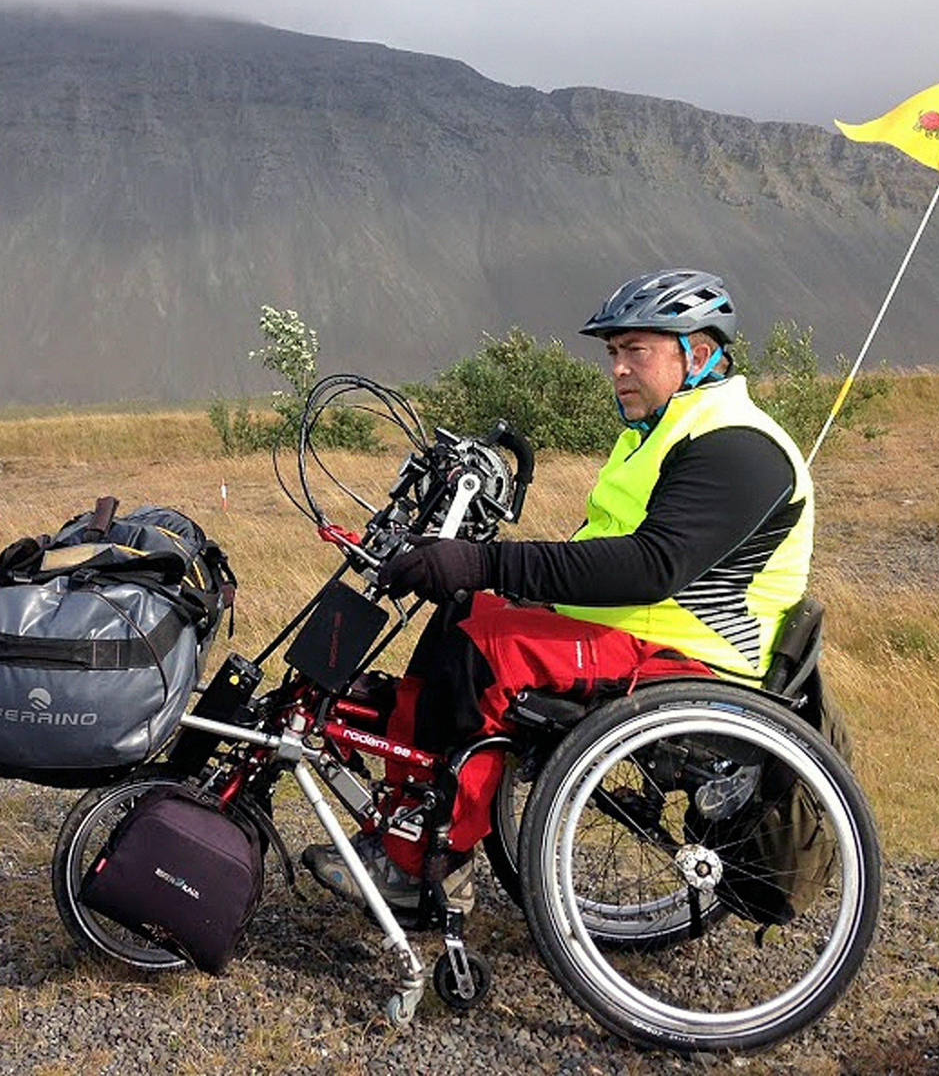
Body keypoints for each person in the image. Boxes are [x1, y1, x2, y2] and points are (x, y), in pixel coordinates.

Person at [303, 268, 816, 912]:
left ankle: (428, 864)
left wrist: (486, 563)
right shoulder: (662, 432)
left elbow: (649, 567)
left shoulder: (738, 446)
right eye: (613, 353)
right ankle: (409, 819)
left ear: (701, 353)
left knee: (484, 647)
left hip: (693, 656)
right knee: (462, 614)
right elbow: (597, 552)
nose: (619, 369)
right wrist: (473, 570)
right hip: (634, 632)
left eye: (637, 351)